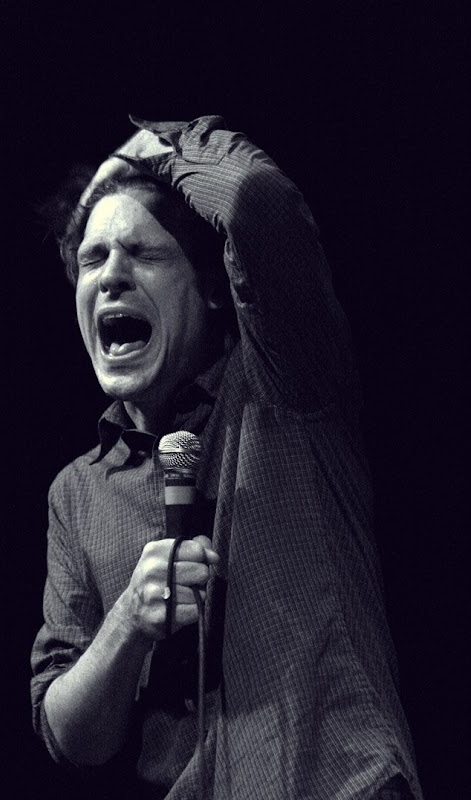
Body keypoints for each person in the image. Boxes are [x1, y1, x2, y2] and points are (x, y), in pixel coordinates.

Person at [30, 115, 423, 799]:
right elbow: (68, 735)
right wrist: (128, 622)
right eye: (93, 260)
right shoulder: (77, 491)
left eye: (142, 254)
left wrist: (146, 148)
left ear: (213, 289)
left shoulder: (285, 383)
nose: (111, 276)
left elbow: (257, 203)